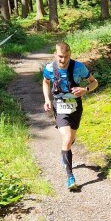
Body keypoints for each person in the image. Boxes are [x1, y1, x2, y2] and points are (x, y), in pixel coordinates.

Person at [42, 42, 98, 191]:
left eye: (66, 56)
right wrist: (47, 99)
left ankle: (65, 153)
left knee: (71, 139)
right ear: (55, 54)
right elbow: (46, 82)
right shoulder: (49, 68)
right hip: (59, 107)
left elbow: (94, 82)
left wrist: (85, 89)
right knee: (66, 139)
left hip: (76, 108)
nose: (63, 60)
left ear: (70, 54)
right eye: (60, 56)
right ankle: (70, 177)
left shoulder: (79, 67)